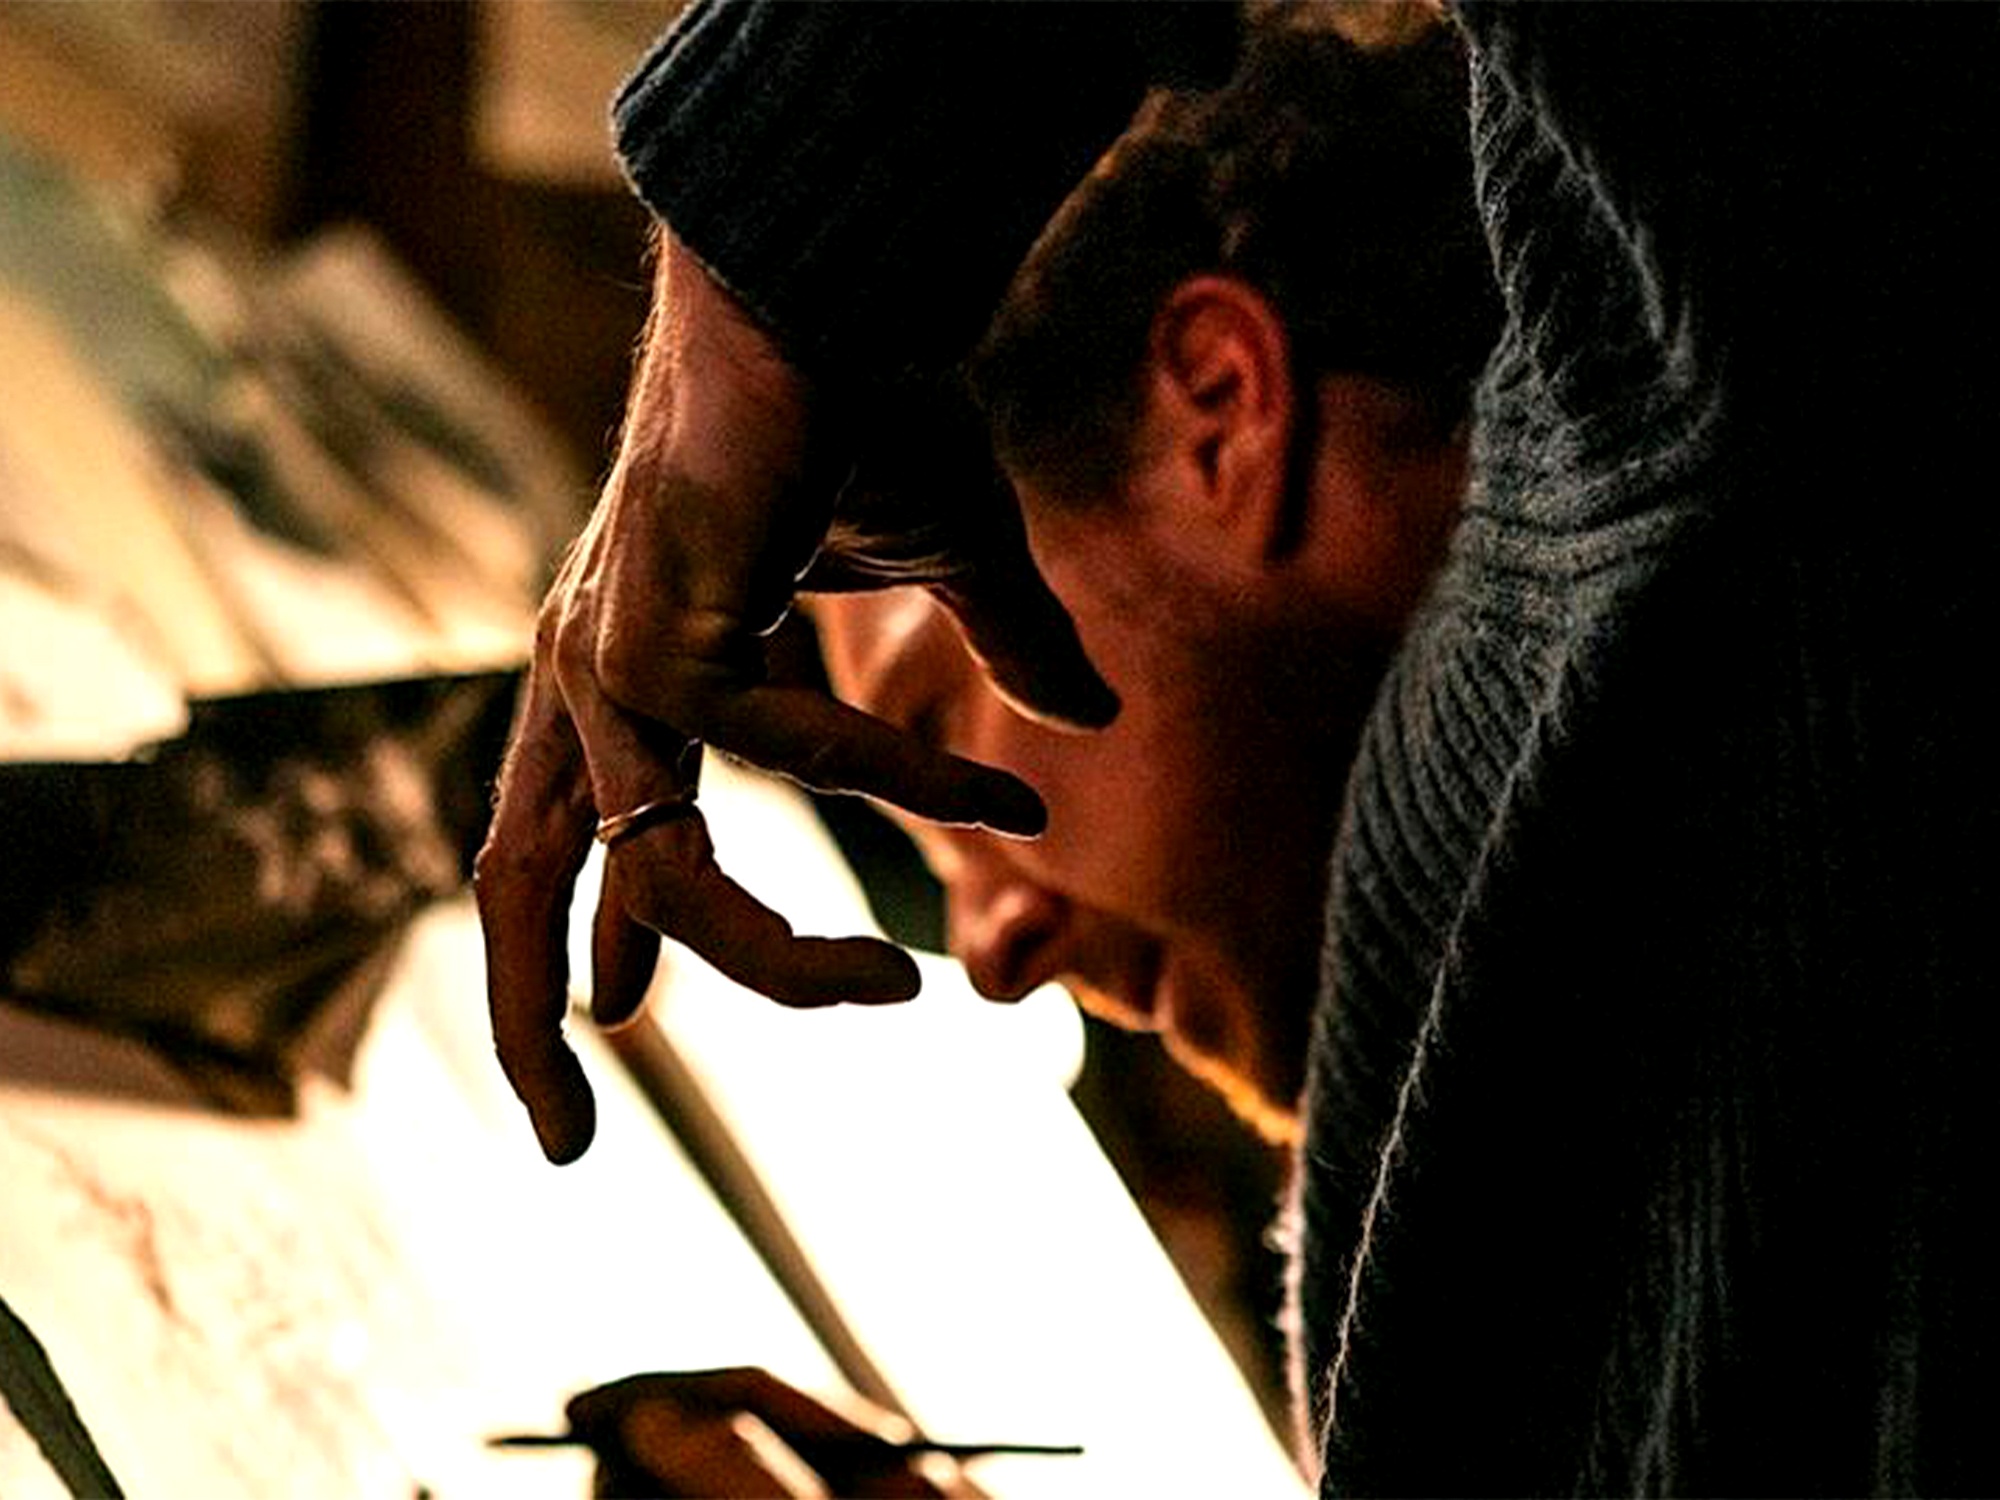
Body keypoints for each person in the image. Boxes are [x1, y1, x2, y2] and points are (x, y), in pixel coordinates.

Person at [477, 2, 2000, 1494]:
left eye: (936, 719)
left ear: (1220, 406)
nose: (992, 949)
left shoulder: (1798, 427)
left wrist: (759, 273)